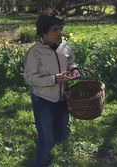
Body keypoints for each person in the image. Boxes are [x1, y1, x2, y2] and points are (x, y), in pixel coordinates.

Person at [23, 9, 80, 167]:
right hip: (43, 101)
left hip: (62, 99)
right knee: (47, 139)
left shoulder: (64, 46)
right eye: (55, 30)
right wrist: (54, 79)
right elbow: (29, 78)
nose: (59, 33)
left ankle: (45, 138)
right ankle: (42, 160)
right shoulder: (34, 53)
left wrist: (74, 69)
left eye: (61, 29)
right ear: (43, 32)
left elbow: (70, 62)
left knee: (63, 134)